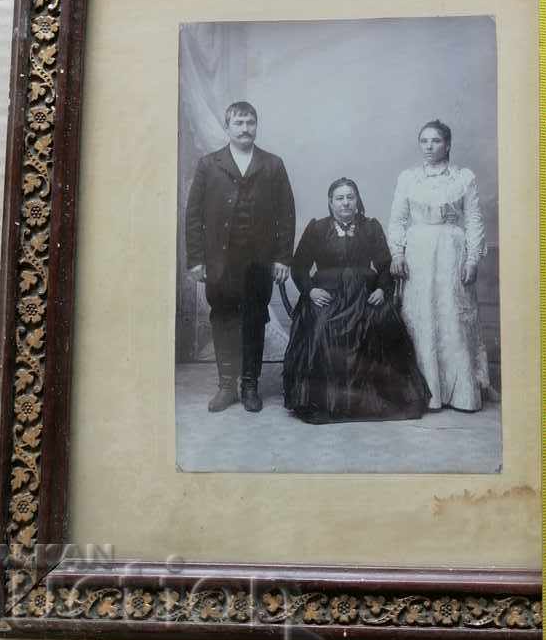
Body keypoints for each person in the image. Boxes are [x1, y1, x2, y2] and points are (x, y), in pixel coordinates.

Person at [283, 177, 430, 424]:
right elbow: (299, 267)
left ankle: (374, 400)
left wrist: (383, 289)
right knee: (321, 327)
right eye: (339, 198)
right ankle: (324, 401)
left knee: (382, 322)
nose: (345, 203)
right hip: (327, 295)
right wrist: (310, 291)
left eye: (350, 197)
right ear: (330, 203)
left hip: (365, 294)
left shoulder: (371, 227)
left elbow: (384, 265)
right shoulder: (317, 229)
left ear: (357, 200)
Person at [185, 101, 295, 413]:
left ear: (256, 126)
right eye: (239, 123)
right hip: (220, 261)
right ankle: (226, 386)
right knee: (223, 319)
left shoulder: (273, 164)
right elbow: (193, 215)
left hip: (259, 262)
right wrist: (195, 259)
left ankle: (250, 385)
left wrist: (283, 259)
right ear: (228, 127)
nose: (245, 128)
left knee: (254, 321)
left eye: (250, 123)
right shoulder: (209, 164)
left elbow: (286, 215)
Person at [388, 119, 490, 411]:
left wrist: (472, 260)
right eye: (424, 141)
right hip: (418, 252)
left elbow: (473, 220)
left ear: (447, 144)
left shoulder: (463, 178)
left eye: (435, 141)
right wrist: (397, 254)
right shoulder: (408, 178)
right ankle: (425, 392)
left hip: (450, 251)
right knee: (420, 317)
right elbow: (397, 220)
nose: (429, 147)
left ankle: (461, 394)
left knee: (452, 317)